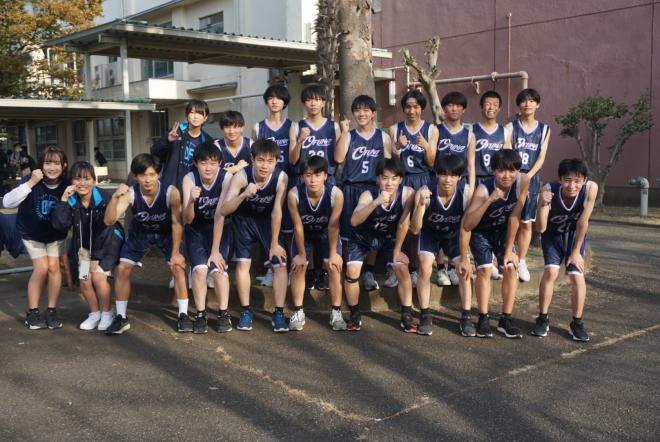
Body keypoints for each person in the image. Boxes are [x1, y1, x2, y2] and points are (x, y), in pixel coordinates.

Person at [103, 154, 188, 335]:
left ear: (158, 175)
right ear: (136, 176)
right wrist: (115, 197)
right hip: (140, 232)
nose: (147, 179)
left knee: (178, 266)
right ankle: (121, 317)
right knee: (122, 268)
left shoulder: (171, 192)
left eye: (151, 174)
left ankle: (183, 315)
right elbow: (109, 221)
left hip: (166, 232)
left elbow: (177, 223)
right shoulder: (131, 193)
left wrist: (175, 252)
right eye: (142, 175)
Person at [220, 139, 289, 332]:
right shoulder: (242, 176)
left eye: (270, 161)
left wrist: (274, 243)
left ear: (276, 162)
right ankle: (245, 311)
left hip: (267, 221)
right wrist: (243, 195)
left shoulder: (281, 178)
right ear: (252, 159)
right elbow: (224, 209)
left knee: (280, 263)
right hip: (244, 220)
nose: (265, 165)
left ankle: (279, 313)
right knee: (243, 264)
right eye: (260, 160)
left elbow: (277, 211)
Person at [462, 149, 530, 339]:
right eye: (501, 170)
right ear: (493, 171)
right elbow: (468, 225)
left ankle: (505, 319)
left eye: (512, 170)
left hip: (503, 231)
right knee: (484, 270)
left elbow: (515, 216)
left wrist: (509, 250)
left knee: (511, 267)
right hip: (481, 232)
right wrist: (489, 200)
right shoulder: (483, 190)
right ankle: (483, 318)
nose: (507, 175)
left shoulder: (523, 181)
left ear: (518, 170)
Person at [344, 157, 416, 332]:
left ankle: (406, 315)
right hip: (363, 236)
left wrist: (397, 250)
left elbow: (404, 224)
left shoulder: (407, 194)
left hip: (389, 237)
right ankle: (354, 314)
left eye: (394, 178)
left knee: (401, 267)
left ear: (400, 179)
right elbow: (354, 220)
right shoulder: (368, 195)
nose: (389, 183)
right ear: (378, 179)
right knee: (352, 271)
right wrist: (376, 202)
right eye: (385, 178)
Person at [51, 162, 124, 331]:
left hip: (108, 244)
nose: (82, 183)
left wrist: (96, 257)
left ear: (94, 181)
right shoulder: (71, 199)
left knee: (98, 277)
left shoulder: (104, 198)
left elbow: (105, 230)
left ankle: (107, 313)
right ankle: (94, 313)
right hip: (84, 248)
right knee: (84, 279)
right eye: (77, 179)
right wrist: (63, 200)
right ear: (71, 181)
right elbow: (60, 225)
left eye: (87, 178)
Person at [2, 146, 69, 329]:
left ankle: (51, 310)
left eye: (57, 163)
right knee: (41, 268)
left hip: (55, 234)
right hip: (31, 233)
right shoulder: (30, 180)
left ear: (64, 165)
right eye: (48, 163)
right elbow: (7, 202)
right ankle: (32, 312)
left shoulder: (67, 183)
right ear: (40, 165)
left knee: (54, 268)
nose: (52, 168)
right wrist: (31, 182)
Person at [532, 159, 597, 342]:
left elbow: (583, 222)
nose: (572, 185)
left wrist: (576, 252)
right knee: (551, 272)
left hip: (574, 236)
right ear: (560, 179)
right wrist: (543, 204)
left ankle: (577, 323)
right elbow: (541, 228)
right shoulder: (549, 190)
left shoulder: (590, 189)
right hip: (552, 235)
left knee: (577, 276)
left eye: (577, 181)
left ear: (584, 180)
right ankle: (542, 318)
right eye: (567, 180)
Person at [410, 154, 474, 336]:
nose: (448, 179)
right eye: (444, 174)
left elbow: (466, 227)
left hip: (453, 235)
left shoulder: (466, 193)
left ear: (459, 177)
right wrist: (420, 205)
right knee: (425, 268)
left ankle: (466, 317)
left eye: (453, 175)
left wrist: (465, 257)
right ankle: (425, 314)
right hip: (430, 234)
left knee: (464, 270)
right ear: (437, 174)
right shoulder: (425, 191)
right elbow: (415, 229)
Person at [335, 94, 392, 291]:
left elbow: (387, 166)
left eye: (366, 110)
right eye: (357, 110)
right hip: (351, 188)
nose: (361, 114)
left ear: (373, 113)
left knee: (373, 230)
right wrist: (343, 132)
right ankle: (348, 269)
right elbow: (338, 158)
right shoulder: (349, 135)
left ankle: (368, 270)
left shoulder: (383, 137)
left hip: (373, 189)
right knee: (347, 231)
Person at [388, 90, 438, 289]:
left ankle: (416, 269)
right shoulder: (394, 129)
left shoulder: (431, 129)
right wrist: (397, 147)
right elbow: (391, 160)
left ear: (422, 108)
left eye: (416, 107)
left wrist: (426, 147)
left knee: (419, 226)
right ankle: (396, 267)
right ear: (403, 109)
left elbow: (432, 162)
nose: (412, 110)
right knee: (399, 224)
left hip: (423, 179)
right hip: (402, 180)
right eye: (408, 107)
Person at [287, 156, 345, 331]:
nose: (313, 180)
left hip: (326, 233)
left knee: (334, 267)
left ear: (325, 176)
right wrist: (301, 255)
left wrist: (333, 254)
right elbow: (298, 226)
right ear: (302, 177)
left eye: (317, 175)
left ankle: (336, 312)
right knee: (298, 266)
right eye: (308, 175)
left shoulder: (336, 194)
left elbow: (333, 226)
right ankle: (298, 311)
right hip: (304, 233)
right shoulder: (294, 194)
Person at [181, 144, 233, 334]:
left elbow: (221, 214)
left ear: (219, 163)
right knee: (199, 271)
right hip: (196, 229)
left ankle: (223, 313)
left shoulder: (226, 178)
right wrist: (191, 201)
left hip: (220, 228)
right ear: (196, 163)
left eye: (213, 163)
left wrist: (215, 250)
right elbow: (187, 219)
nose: (208, 167)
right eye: (203, 163)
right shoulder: (189, 178)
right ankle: (200, 314)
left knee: (218, 271)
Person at [252, 84, 294, 288]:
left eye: (279, 98)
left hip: (288, 180)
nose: (275, 101)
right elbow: (254, 156)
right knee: (269, 225)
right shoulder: (258, 127)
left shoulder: (293, 126)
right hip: (266, 182)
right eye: (271, 98)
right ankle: (271, 269)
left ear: (285, 102)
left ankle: (289, 270)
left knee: (288, 227)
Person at [506, 88, 550, 283]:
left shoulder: (545, 129)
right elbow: (507, 152)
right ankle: (508, 255)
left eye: (532, 101)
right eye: (524, 101)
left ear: (537, 104)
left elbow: (541, 157)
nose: (527, 104)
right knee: (509, 220)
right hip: (511, 179)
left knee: (526, 222)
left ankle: (522, 260)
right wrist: (516, 176)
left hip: (531, 180)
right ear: (519, 105)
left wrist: (528, 177)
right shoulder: (510, 127)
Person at [434, 91, 476, 287]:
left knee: (457, 225)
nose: (454, 108)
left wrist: (472, 188)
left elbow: (471, 165)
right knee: (437, 223)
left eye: (458, 105)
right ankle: (440, 267)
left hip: (460, 184)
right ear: (444, 108)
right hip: (439, 183)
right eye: (450, 105)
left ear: (463, 109)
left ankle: (453, 265)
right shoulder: (436, 131)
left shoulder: (469, 135)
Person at [472, 90, 513, 281]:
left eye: (495, 104)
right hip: (479, 179)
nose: (491, 107)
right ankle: (478, 260)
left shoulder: (504, 132)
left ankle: (496, 260)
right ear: (481, 107)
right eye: (488, 104)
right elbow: (470, 161)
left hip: (497, 181)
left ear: (500, 108)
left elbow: (508, 160)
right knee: (476, 221)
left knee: (497, 220)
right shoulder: (472, 130)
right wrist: (471, 185)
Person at [151, 99, 213, 190]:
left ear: (205, 117)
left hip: (192, 188)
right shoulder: (176, 132)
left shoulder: (207, 140)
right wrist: (168, 141)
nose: (195, 116)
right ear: (186, 115)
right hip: (169, 187)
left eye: (199, 113)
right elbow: (155, 152)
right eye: (192, 112)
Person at [288, 85, 341, 188]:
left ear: (323, 103)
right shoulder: (296, 127)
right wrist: (300, 140)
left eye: (317, 99)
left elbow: (339, 158)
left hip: (327, 178)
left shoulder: (334, 127)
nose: (313, 103)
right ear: (304, 103)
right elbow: (292, 160)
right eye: (309, 100)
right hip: (304, 179)